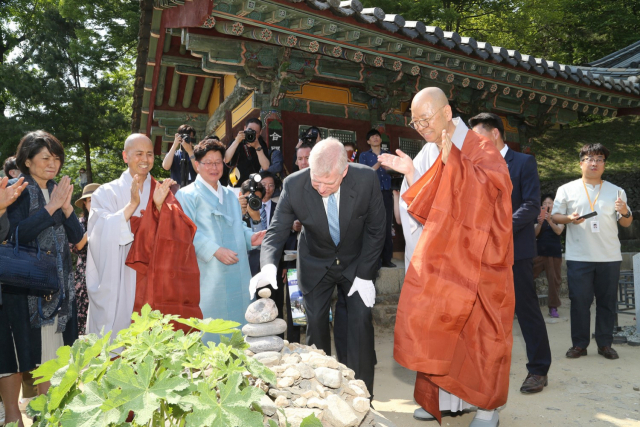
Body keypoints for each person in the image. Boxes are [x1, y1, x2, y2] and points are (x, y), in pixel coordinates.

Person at [379, 88, 514, 427]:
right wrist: (410, 172)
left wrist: (450, 156)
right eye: (415, 121)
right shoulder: (429, 150)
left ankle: (486, 408)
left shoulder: (482, 148)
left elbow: (488, 195)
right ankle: (442, 399)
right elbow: (430, 206)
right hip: (446, 261)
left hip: (482, 260)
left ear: (447, 112)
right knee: (438, 329)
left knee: (482, 335)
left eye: (426, 119)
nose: (421, 126)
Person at [251, 137, 385, 395]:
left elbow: (377, 230)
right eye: (316, 181)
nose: (321, 188)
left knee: (359, 323)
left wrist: (366, 275)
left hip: (356, 262)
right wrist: (267, 267)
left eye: (329, 182)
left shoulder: (366, 179)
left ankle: (361, 394)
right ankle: (320, 394)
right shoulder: (294, 185)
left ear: (344, 171)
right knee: (315, 326)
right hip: (315, 261)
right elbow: (276, 231)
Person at [86, 134, 202, 342]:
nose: (145, 159)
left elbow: (181, 234)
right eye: (138, 153)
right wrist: (131, 206)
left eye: (149, 154)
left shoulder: (163, 190)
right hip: (120, 272)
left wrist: (158, 208)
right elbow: (97, 233)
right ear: (125, 156)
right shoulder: (105, 193)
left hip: (153, 276)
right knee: (118, 339)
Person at [0, 131, 81, 427]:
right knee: (20, 355)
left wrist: (66, 206)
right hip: (24, 289)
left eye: (57, 158)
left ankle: (49, 415)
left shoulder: (58, 189)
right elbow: (14, 236)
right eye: (46, 157)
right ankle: (15, 415)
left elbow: (78, 238)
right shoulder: (15, 188)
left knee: (53, 354)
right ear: (27, 160)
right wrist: (50, 207)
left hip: (58, 288)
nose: (53, 163)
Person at [469, 112, 552, 395]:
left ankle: (539, 369)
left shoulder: (523, 162)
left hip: (515, 250)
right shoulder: (476, 165)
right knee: (483, 311)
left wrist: (497, 228)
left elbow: (530, 205)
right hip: (483, 252)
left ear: (494, 134)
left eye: (478, 138)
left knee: (526, 308)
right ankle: (483, 369)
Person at [176, 139, 265, 344]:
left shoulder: (230, 195)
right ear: (196, 165)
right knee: (212, 318)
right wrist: (214, 250)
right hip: (209, 267)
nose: (214, 167)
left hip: (237, 266)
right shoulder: (186, 195)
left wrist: (251, 237)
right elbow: (186, 231)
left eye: (218, 162)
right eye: (208, 162)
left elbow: (238, 226)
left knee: (240, 318)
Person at [551, 143, 632, 360]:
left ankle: (605, 344)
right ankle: (579, 344)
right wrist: (568, 219)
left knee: (607, 302)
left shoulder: (617, 191)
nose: (594, 163)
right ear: (581, 163)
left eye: (599, 159)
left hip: (609, 257)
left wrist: (624, 211)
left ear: (605, 164)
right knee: (579, 302)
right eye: (589, 158)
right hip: (579, 257)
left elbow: (626, 223)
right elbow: (555, 216)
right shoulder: (566, 189)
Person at [359, 129, 395, 268]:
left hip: (386, 193)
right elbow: (366, 173)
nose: (375, 138)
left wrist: (389, 167)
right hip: (371, 194)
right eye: (372, 137)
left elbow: (395, 171)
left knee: (387, 225)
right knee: (373, 225)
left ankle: (387, 259)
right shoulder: (364, 156)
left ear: (380, 140)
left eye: (377, 136)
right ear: (368, 141)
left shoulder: (388, 155)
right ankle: (375, 259)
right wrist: (380, 163)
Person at [71, 183, 101, 335]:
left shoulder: (112, 221)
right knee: (84, 316)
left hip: (106, 271)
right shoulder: (80, 223)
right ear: (84, 203)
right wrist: (92, 227)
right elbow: (76, 246)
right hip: (84, 275)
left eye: (97, 200)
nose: (94, 204)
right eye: (90, 201)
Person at [534, 194, 565, 318]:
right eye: (545, 203)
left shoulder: (558, 217)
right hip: (539, 253)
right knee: (525, 276)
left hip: (554, 254)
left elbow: (559, 231)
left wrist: (549, 221)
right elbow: (535, 235)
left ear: (554, 205)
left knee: (554, 281)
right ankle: (522, 304)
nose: (547, 205)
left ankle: (553, 307)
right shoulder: (537, 218)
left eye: (550, 203)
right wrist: (541, 223)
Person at [224, 118, 270, 187]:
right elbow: (226, 159)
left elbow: (266, 167)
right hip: (235, 185)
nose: (251, 134)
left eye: (255, 132)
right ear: (245, 128)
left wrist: (257, 147)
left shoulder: (261, 144)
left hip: (253, 186)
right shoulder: (236, 141)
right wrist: (237, 141)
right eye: (250, 130)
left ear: (260, 132)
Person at [240, 178, 266, 276]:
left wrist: (256, 220)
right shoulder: (232, 210)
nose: (252, 202)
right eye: (248, 198)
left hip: (254, 266)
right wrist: (238, 212)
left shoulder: (261, 214)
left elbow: (260, 245)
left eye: (256, 199)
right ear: (240, 196)